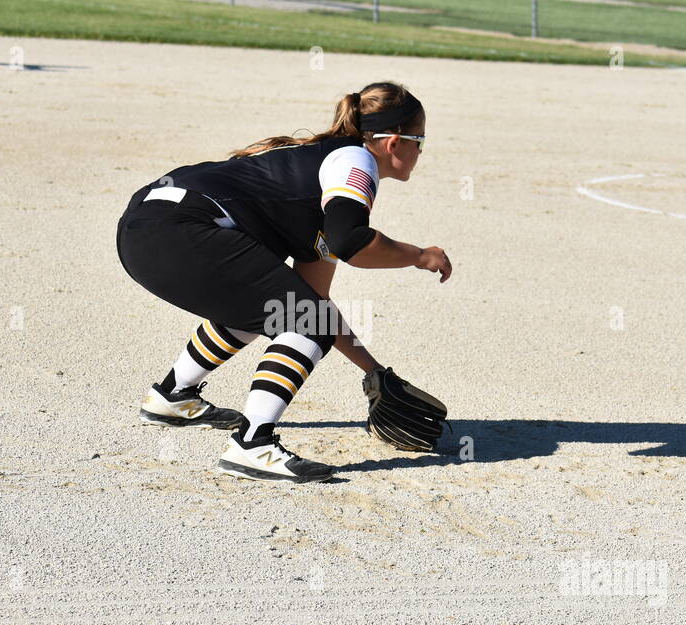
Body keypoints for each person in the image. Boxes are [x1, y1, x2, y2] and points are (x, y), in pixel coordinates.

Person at [116, 82, 452, 484]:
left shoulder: (317, 168)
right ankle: (252, 445)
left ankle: (172, 397)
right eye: (421, 142)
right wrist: (418, 256)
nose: (421, 153)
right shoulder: (355, 161)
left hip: (147, 230)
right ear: (395, 142)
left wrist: (375, 372)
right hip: (181, 232)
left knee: (276, 306)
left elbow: (314, 303)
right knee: (299, 317)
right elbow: (352, 244)